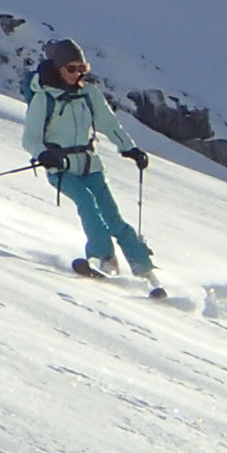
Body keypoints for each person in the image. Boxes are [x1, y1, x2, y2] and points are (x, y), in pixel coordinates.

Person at [21, 38, 159, 287]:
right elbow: (30, 137)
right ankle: (102, 258)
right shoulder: (44, 98)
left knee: (113, 218)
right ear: (58, 67)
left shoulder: (89, 94)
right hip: (61, 169)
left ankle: (145, 271)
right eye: (71, 69)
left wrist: (130, 149)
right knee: (87, 204)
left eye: (81, 69)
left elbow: (109, 123)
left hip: (90, 166)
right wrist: (43, 154)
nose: (76, 74)